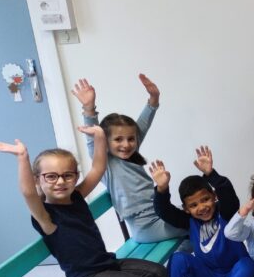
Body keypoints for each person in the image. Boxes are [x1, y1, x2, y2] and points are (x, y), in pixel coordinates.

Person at [0, 129, 195, 277]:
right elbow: (28, 193)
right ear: (38, 178)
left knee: (158, 271)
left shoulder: (77, 198)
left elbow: (98, 168)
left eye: (67, 175)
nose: (60, 181)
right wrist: (22, 157)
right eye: (51, 176)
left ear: (75, 176)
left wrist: (99, 136)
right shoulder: (46, 217)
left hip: (107, 263)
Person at [150, 146, 254, 277]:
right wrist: (162, 189)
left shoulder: (225, 212)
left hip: (235, 275)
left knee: (248, 263)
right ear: (186, 209)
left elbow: (228, 195)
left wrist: (210, 174)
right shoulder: (188, 221)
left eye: (205, 200)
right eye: (193, 205)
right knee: (178, 258)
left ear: (214, 197)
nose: (202, 207)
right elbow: (163, 211)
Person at [72, 75, 185, 244]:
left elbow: (144, 122)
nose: (126, 144)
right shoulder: (105, 162)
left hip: (162, 214)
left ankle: (183, 257)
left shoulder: (132, 155)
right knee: (199, 223)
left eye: (131, 139)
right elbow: (92, 136)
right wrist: (89, 109)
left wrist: (154, 98)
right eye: (118, 139)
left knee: (202, 220)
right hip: (146, 227)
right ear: (105, 141)